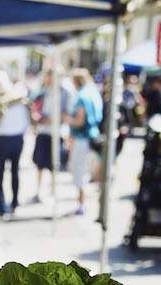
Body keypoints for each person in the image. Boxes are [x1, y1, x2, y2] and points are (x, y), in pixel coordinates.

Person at [0, 77, 30, 218]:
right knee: (15, 171)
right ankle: (14, 203)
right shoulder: (19, 101)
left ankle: (2, 206)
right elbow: (25, 123)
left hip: (1, 140)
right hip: (16, 139)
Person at [30, 71, 73, 203]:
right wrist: (37, 119)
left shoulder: (65, 93)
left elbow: (67, 114)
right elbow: (35, 109)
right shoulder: (43, 92)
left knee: (54, 164)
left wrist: (52, 120)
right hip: (43, 132)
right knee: (40, 164)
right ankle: (39, 191)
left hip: (56, 133)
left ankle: (53, 192)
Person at [65, 68, 103, 216]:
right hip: (91, 136)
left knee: (79, 171)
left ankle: (82, 203)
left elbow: (80, 120)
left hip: (82, 139)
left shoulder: (82, 96)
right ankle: (84, 202)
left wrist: (66, 118)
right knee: (86, 170)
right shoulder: (93, 93)